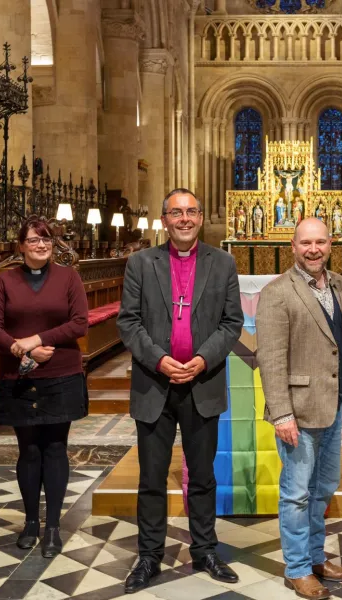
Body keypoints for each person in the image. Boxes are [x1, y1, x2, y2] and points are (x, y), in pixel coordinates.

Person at [117, 188, 243, 594]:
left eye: (191, 212)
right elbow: (128, 322)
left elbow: (231, 323)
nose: (184, 219)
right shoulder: (141, 262)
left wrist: (203, 359)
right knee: (152, 476)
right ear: (165, 219)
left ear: (201, 217)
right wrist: (159, 360)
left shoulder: (222, 262)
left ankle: (204, 549)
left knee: (203, 476)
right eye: (176, 212)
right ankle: (150, 555)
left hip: (202, 382)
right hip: (155, 384)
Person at [256, 217, 342, 600]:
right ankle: (298, 567)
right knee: (297, 492)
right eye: (306, 243)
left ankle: (317, 557)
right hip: (298, 411)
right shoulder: (277, 293)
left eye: (320, 242)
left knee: (324, 488)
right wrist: (281, 414)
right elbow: (270, 359)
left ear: (331, 243)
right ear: (294, 246)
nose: (313, 249)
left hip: (333, 405)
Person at [0, 216, 89, 558]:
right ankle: (31, 522)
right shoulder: (4, 281)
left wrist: (38, 339)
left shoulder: (69, 277)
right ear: (21, 245)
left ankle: (54, 526)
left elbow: (79, 322)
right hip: (20, 377)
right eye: (33, 240)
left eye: (46, 240)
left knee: (56, 448)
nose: (41, 245)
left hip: (62, 374)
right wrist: (20, 348)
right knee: (28, 450)